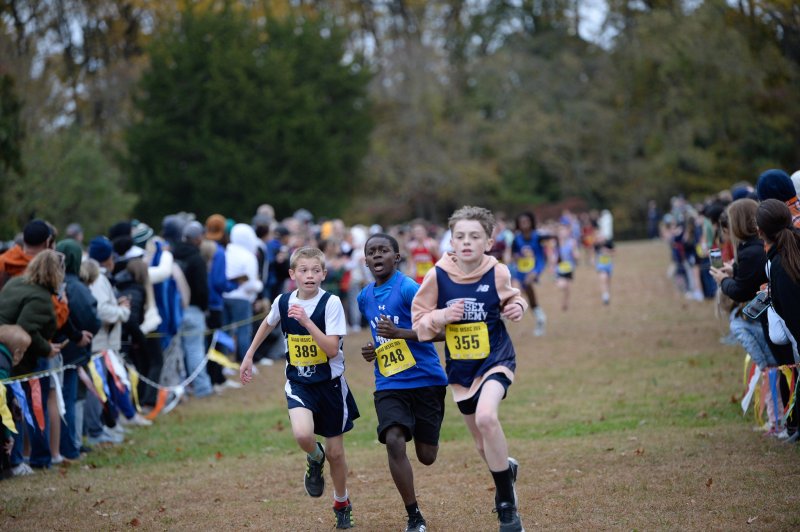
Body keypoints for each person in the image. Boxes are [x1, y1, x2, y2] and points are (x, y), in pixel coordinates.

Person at [412, 206, 527, 532]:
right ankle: (506, 469)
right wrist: (441, 317)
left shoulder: (497, 272)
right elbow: (419, 323)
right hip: (461, 369)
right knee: (481, 443)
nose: (466, 242)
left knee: (487, 417)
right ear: (450, 239)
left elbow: (513, 299)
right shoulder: (437, 275)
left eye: (475, 236)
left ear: (488, 242)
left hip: (496, 359)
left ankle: (506, 504)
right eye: (460, 236)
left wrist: (517, 307)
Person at [240, 247, 358, 529]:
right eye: (303, 270)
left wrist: (305, 322)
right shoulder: (283, 302)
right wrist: (249, 354)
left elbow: (331, 349)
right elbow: (267, 325)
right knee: (303, 435)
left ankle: (341, 502)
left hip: (330, 386)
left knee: (337, 454)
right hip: (299, 382)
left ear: (324, 274)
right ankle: (314, 458)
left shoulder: (330, 303)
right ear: (292, 274)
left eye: (315, 270)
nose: (310, 275)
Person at [358, 233, 448, 532]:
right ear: (366, 260)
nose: (378, 256)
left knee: (427, 456)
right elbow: (380, 337)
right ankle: (414, 516)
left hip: (425, 380)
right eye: (372, 252)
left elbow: (443, 331)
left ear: (397, 257)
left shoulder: (409, 288)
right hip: (389, 382)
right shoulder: (364, 297)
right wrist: (373, 350)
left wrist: (402, 334)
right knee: (394, 440)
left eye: (384, 250)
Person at [0, 249, 64, 471]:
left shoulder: (16, 282)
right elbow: (25, 330)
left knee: (10, 406)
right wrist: (47, 348)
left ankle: (15, 460)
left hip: (7, 353)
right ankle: (20, 461)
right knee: (22, 406)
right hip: (17, 358)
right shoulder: (41, 298)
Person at [510, 211, 550, 336]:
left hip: (535, 268)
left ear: (531, 223)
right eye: (522, 222)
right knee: (525, 294)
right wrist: (516, 256)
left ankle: (506, 316)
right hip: (521, 269)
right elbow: (513, 254)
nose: (524, 225)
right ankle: (540, 317)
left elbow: (545, 252)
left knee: (521, 288)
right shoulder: (516, 239)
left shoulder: (538, 236)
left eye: (526, 222)